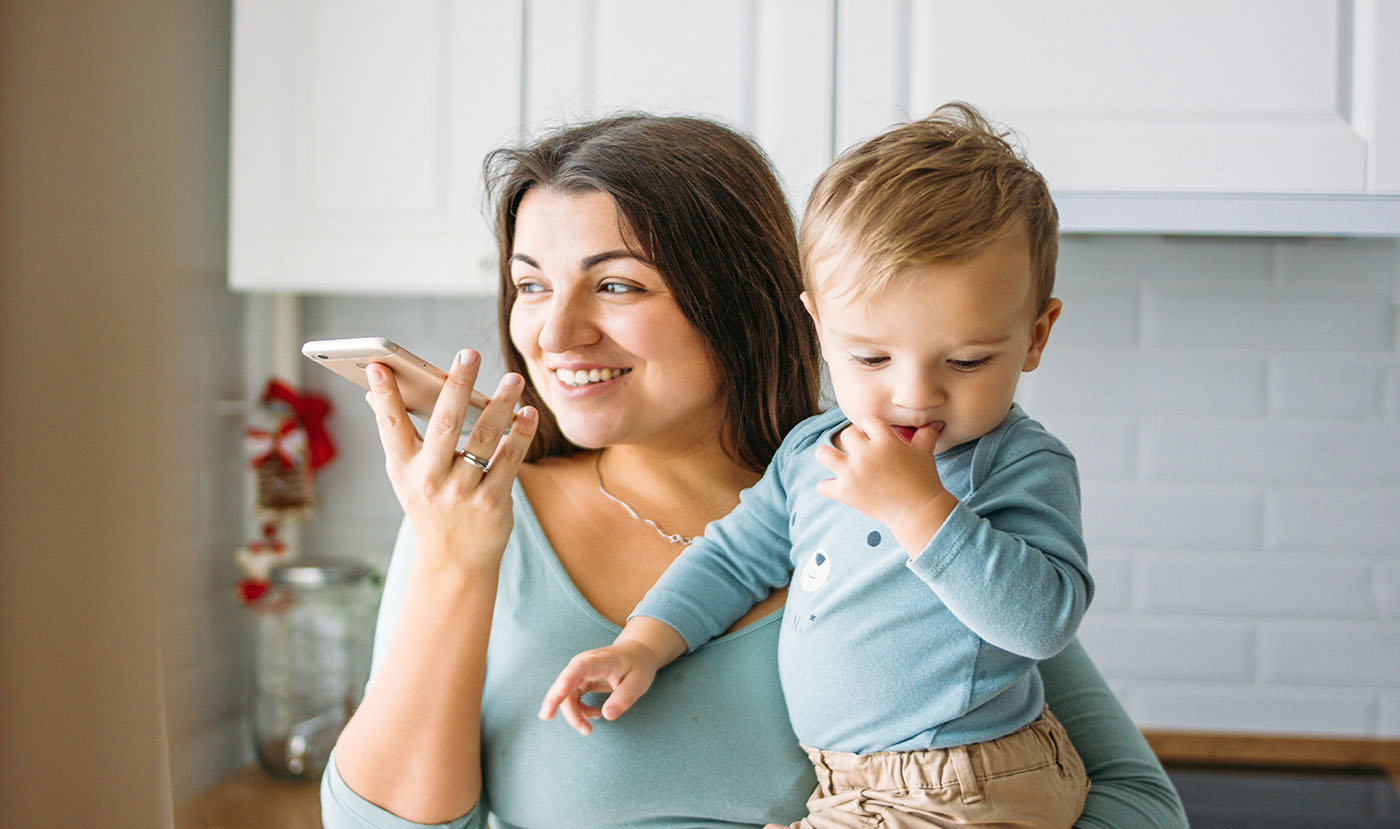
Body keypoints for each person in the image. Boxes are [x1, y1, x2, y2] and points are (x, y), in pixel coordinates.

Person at [321, 113, 1189, 829]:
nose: (553, 333)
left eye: (617, 286)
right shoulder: (475, 524)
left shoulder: (912, 489)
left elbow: (1140, 803)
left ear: (739, 296)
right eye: (531, 286)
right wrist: (450, 559)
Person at [541, 103, 1090, 828]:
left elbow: (1045, 622)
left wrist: (919, 509)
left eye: (966, 360)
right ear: (819, 327)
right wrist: (642, 645)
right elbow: (733, 560)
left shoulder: (1016, 462)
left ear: (1036, 334)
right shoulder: (810, 452)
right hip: (853, 783)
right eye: (870, 357)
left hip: (964, 779)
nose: (914, 394)